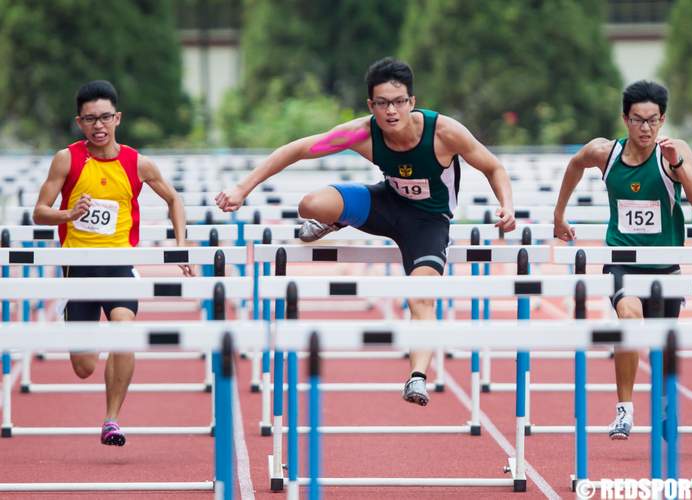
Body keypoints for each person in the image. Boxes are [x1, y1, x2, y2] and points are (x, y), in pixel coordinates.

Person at [216, 57, 516, 406]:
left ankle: (417, 376)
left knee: (422, 295)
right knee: (310, 204)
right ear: (370, 105)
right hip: (385, 205)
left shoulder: (444, 132)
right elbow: (296, 149)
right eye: (383, 103)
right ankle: (334, 220)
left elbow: (493, 167)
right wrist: (242, 188)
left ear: (412, 102)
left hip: (427, 222)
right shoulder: (361, 132)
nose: (392, 111)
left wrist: (506, 205)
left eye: (399, 101)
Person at [33, 80, 193, 446]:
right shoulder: (67, 159)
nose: (98, 125)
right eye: (90, 119)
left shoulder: (138, 163)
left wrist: (181, 245)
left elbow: (174, 200)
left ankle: (111, 419)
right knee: (84, 367)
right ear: (80, 122)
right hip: (78, 267)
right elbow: (39, 212)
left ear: (117, 118)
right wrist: (68, 214)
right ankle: (79, 324)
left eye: (105, 117)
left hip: (121, 263)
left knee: (125, 329)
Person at [553, 80, 692, 440]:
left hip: (665, 266)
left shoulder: (675, 151)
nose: (646, 128)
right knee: (629, 317)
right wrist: (559, 215)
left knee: (661, 345)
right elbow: (575, 165)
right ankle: (624, 410)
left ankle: (667, 405)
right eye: (638, 120)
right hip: (622, 259)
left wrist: (678, 165)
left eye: (653, 121)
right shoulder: (605, 153)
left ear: (663, 119)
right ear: (625, 119)